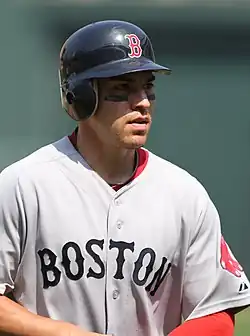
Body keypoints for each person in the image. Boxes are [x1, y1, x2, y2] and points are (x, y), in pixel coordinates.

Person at [0, 19, 249, 336]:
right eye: (122, 89)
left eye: (148, 87)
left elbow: (218, 310)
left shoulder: (184, 194)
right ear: (80, 97)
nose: (142, 102)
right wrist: (62, 333)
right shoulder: (23, 185)